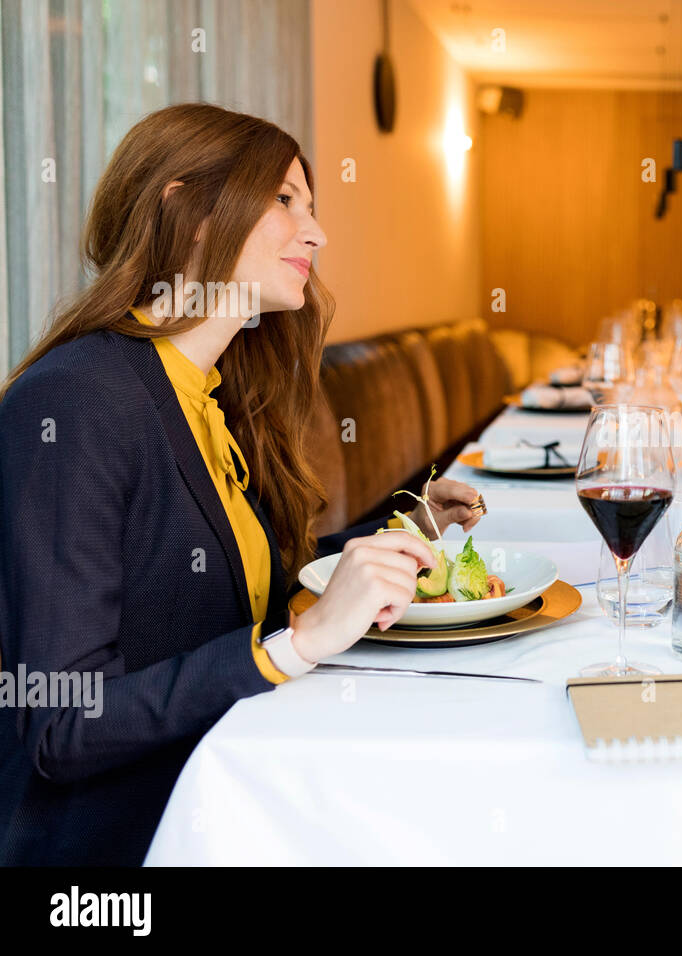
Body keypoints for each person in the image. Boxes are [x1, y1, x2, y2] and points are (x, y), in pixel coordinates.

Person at [0, 103, 482, 865]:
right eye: (284, 201)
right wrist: (302, 643)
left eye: (313, 207)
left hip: (229, 785)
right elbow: (62, 724)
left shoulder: (210, 393)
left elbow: (222, 589)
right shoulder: (77, 402)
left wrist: (401, 528)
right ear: (186, 210)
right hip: (125, 845)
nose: (317, 233)